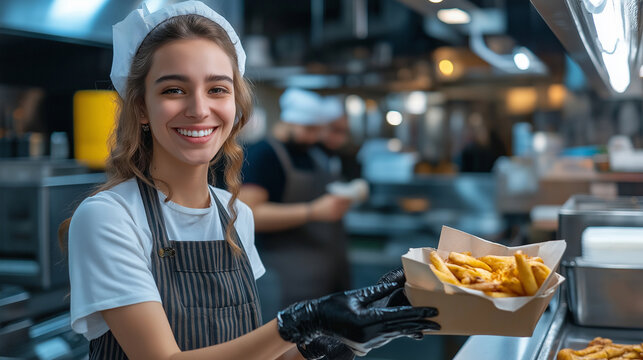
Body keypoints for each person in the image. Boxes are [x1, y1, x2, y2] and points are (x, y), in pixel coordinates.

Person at [59, 2, 439, 359]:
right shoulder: (109, 218)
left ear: (235, 104)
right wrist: (299, 322)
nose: (198, 108)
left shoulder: (235, 214)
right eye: (174, 90)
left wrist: (344, 343)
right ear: (141, 107)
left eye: (217, 89)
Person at [240, 88, 353, 310]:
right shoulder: (264, 155)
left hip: (324, 279)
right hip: (285, 282)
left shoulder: (311, 153)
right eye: (309, 129)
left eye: (318, 130)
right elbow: (249, 213)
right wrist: (313, 211)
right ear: (289, 121)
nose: (314, 137)